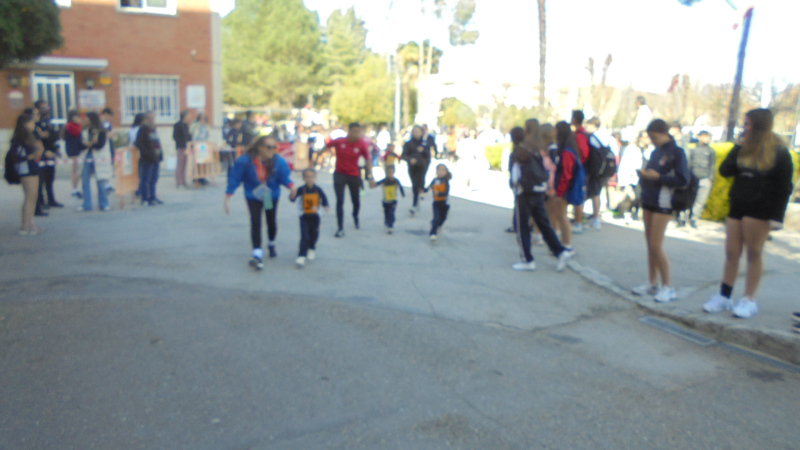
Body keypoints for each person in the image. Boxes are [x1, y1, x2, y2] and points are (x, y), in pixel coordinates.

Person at [703, 109, 794, 319]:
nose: (744, 127)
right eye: (744, 123)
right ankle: (724, 295)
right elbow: (725, 171)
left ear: (759, 125)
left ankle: (748, 299)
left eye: (748, 124)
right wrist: (738, 146)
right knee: (731, 253)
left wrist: (777, 217)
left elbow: (784, 187)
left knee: (754, 253)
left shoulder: (779, 152)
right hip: (738, 206)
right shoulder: (744, 148)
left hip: (760, 209)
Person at [632, 119, 690, 303]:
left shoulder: (677, 153)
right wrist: (645, 175)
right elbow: (653, 173)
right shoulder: (656, 151)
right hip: (649, 197)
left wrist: (659, 177)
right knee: (650, 244)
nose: (652, 140)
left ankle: (668, 286)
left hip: (664, 201)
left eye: (654, 137)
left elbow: (683, 180)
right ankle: (652, 282)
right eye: (650, 137)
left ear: (665, 133)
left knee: (656, 244)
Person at [225, 136, 296, 269]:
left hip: (269, 195)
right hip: (253, 195)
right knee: (255, 221)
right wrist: (228, 196)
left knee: (271, 221)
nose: (272, 150)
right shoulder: (246, 161)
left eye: (274, 147)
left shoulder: (278, 161)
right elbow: (235, 177)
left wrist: (292, 187)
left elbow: (284, 177)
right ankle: (257, 252)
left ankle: (271, 243)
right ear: (260, 147)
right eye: (269, 147)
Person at [508, 127, 573, 272]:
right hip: (537, 192)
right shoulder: (537, 150)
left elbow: (515, 175)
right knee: (544, 224)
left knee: (523, 227)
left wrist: (514, 187)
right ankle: (560, 252)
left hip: (523, 193)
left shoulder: (519, 152)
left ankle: (527, 260)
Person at [324, 122, 375, 238]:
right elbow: (327, 146)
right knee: (340, 201)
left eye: (359, 132)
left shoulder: (362, 144)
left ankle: (355, 216)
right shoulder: (340, 141)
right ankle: (340, 227)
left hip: (354, 175)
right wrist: (315, 158)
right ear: (349, 131)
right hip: (339, 174)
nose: (357, 134)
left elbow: (368, 160)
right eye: (355, 131)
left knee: (355, 200)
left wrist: (370, 177)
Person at [10, 113, 45, 235]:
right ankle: (26, 226)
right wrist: (33, 154)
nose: (34, 125)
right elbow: (20, 155)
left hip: (28, 167)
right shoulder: (21, 138)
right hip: (27, 168)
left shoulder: (24, 136)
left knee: (31, 197)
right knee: (30, 197)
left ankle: (30, 224)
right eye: (32, 122)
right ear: (26, 124)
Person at [551, 122, 582, 254]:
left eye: (555, 130)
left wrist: (559, 193)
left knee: (562, 216)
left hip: (564, 190)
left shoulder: (567, 152)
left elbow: (566, 175)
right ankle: (564, 243)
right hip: (564, 189)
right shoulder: (569, 149)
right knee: (561, 216)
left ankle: (567, 245)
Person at [289, 168, 329, 268]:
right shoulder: (301, 189)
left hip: (315, 215)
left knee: (314, 234)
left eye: (312, 177)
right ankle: (301, 256)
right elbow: (293, 198)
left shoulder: (318, 189)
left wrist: (326, 205)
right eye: (307, 177)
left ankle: (311, 247)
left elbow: (324, 198)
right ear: (303, 178)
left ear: (315, 178)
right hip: (304, 216)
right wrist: (292, 195)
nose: (310, 179)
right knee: (305, 235)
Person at [583, 117, 615, 230]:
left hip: (596, 170)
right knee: (595, 192)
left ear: (592, 125)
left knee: (594, 193)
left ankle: (595, 218)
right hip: (605, 169)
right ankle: (593, 217)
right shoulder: (606, 136)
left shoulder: (593, 137)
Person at [77, 112, 112, 212]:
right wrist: (90, 144)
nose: (84, 120)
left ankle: (104, 204)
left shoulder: (101, 131)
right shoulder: (84, 130)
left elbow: (100, 144)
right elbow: (80, 144)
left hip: (99, 157)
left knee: (100, 181)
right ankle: (86, 204)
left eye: (86, 118)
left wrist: (90, 144)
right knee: (85, 180)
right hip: (87, 156)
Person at [684, 130, 716, 228]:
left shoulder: (710, 151)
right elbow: (689, 163)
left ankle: (694, 219)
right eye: (705, 136)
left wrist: (710, 178)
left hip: (705, 179)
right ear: (700, 137)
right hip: (693, 178)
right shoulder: (693, 149)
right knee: (689, 199)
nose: (707, 139)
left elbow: (712, 165)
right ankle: (684, 217)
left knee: (700, 201)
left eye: (708, 136)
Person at [34, 101, 63, 211]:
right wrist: (44, 150)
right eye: (43, 107)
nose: (46, 109)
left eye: (47, 107)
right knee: (40, 179)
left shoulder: (49, 121)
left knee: (50, 178)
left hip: (51, 152)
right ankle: (40, 201)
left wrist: (57, 149)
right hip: (42, 154)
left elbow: (54, 136)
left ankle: (51, 200)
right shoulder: (36, 123)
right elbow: (39, 139)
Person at [617, 131, 648, 224]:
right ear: (640, 138)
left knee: (639, 197)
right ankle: (627, 213)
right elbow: (625, 164)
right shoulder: (632, 149)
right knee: (632, 196)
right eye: (646, 137)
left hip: (643, 178)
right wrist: (623, 180)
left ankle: (635, 213)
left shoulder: (648, 149)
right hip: (632, 177)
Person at [402, 125, 433, 216]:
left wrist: (423, 154)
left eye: (418, 131)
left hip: (422, 167)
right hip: (412, 167)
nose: (416, 133)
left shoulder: (425, 144)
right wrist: (410, 160)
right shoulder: (408, 143)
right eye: (414, 131)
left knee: (418, 184)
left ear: (421, 133)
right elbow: (404, 155)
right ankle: (417, 199)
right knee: (414, 184)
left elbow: (428, 156)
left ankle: (414, 204)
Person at [135, 112, 164, 206]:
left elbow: (157, 142)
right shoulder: (142, 130)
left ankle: (152, 197)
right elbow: (139, 144)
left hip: (156, 158)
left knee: (154, 179)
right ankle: (145, 199)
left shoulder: (153, 129)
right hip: (147, 159)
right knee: (145, 179)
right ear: (146, 119)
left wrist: (160, 154)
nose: (153, 119)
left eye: (153, 117)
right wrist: (148, 154)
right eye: (151, 118)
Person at [570, 111, 591, 234]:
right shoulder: (581, 133)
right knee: (577, 194)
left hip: (579, 167)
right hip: (580, 166)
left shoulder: (579, 135)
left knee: (578, 195)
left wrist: (577, 162)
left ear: (574, 119)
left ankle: (578, 222)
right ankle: (577, 221)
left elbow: (583, 152)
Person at [373, 165, 405, 234]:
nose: (390, 174)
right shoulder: (384, 180)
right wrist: (373, 183)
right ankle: (387, 221)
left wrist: (403, 194)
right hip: (385, 200)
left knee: (391, 212)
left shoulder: (396, 180)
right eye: (388, 172)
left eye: (391, 172)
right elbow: (376, 184)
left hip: (393, 200)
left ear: (393, 172)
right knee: (386, 212)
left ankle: (391, 226)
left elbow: (400, 187)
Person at [426, 164, 451, 241]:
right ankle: (433, 233)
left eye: (443, 170)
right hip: (436, 203)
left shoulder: (446, 181)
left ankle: (436, 225)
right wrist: (423, 190)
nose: (441, 171)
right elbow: (429, 187)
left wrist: (439, 193)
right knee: (436, 218)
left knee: (443, 218)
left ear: (446, 172)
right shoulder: (435, 180)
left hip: (445, 203)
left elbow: (446, 193)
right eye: (439, 170)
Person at [64, 110, 86, 199]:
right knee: (75, 169)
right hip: (73, 149)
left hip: (77, 148)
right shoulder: (70, 125)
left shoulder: (75, 125)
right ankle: (74, 188)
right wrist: (81, 124)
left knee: (78, 169)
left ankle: (76, 187)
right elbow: (77, 132)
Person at [173, 110, 193, 189]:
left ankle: (183, 181)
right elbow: (175, 136)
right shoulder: (178, 125)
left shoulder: (186, 125)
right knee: (180, 164)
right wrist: (182, 144)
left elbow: (188, 136)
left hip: (187, 147)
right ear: (184, 116)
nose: (190, 117)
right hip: (181, 147)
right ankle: (179, 182)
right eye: (188, 115)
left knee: (185, 165)